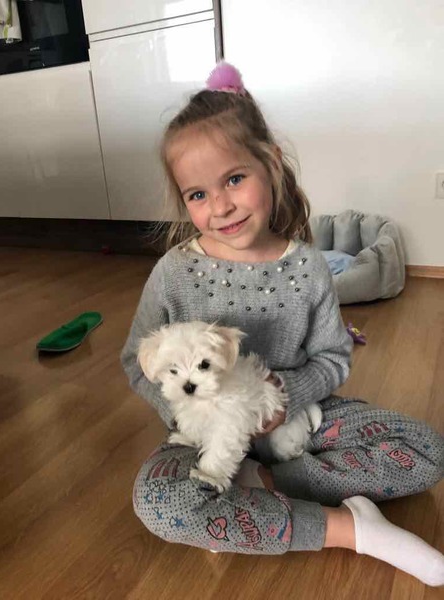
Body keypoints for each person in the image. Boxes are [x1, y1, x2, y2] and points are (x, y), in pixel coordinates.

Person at [121, 62, 444, 586]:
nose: (220, 206)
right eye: (197, 195)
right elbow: (136, 361)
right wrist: (189, 413)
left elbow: (333, 358)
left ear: (270, 164)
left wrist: (285, 397)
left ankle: (260, 486)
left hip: (299, 418)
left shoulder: (308, 267)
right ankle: (348, 528)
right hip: (202, 438)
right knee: (160, 501)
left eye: (234, 179)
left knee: (426, 452)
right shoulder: (173, 273)